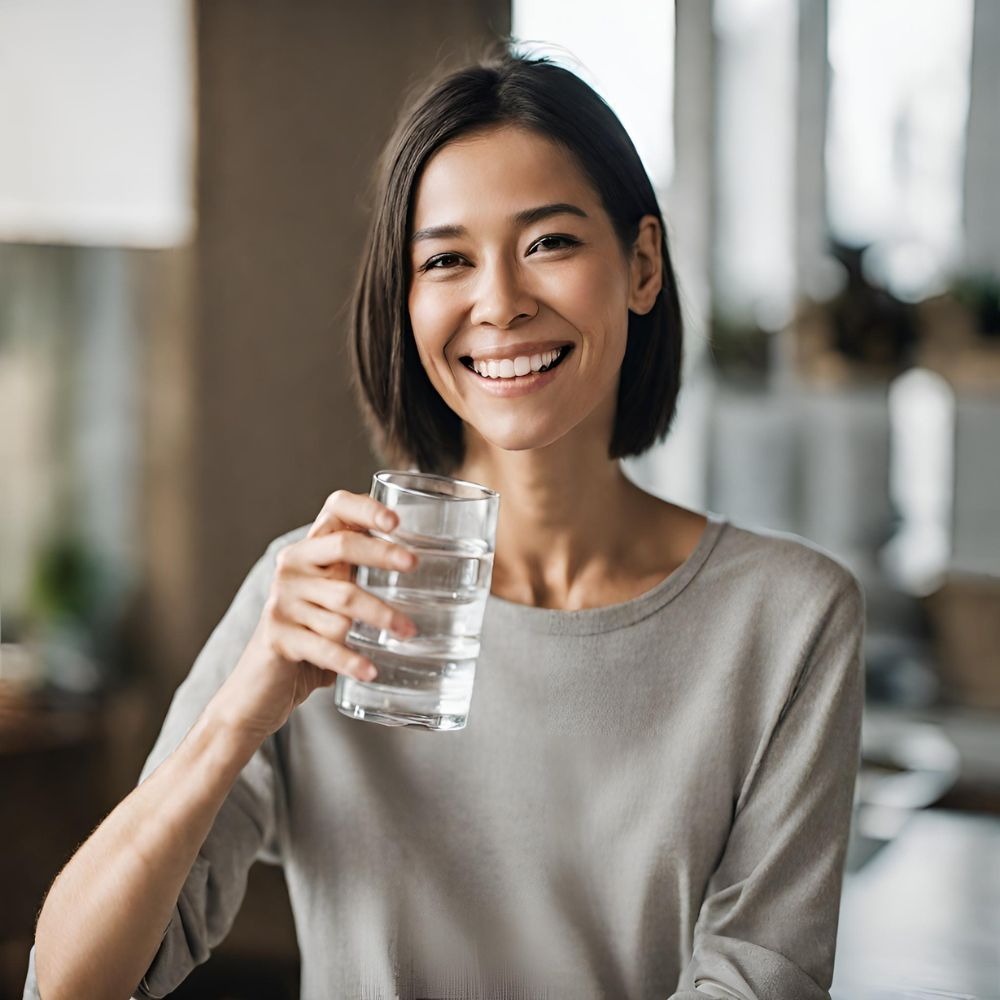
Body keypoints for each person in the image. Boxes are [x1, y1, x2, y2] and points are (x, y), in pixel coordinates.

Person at [24, 44, 865, 1000]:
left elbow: (763, 979)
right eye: (448, 259)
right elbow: (71, 983)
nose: (500, 304)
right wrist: (235, 717)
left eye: (549, 242)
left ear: (641, 265)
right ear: (408, 300)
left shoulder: (788, 619)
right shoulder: (316, 593)